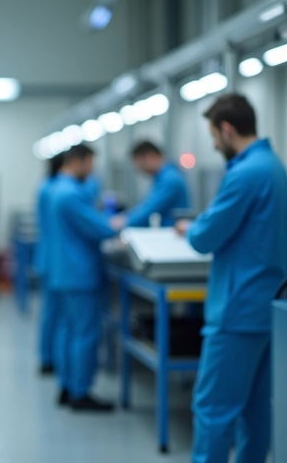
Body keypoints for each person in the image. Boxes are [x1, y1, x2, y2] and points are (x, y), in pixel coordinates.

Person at [154, 94, 287, 463]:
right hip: (268, 306)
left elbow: (205, 237)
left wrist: (190, 228)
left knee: (212, 407)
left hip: (236, 309)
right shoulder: (275, 168)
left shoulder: (245, 173)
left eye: (214, 135)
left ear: (227, 129)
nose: (214, 144)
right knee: (253, 411)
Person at [44, 143, 120, 412]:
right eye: (91, 164)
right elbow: (100, 228)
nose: (92, 171)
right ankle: (80, 392)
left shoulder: (55, 189)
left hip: (62, 271)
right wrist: (117, 223)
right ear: (80, 161)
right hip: (79, 274)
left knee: (68, 330)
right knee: (85, 333)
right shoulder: (71, 194)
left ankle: (67, 386)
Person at [109, 140, 190, 231]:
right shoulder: (163, 177)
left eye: (141, 165)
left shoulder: (169, 180)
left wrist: (124, 221)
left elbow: (149, 209)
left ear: (151, 156)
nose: (141, 170)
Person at [35, 152, 65, 375]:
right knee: (59, 316)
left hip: (50, 257)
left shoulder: (46, 187)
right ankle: (51, 359)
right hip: (60, 261)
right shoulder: (61, 190)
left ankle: (48, 358)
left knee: (51, 313)